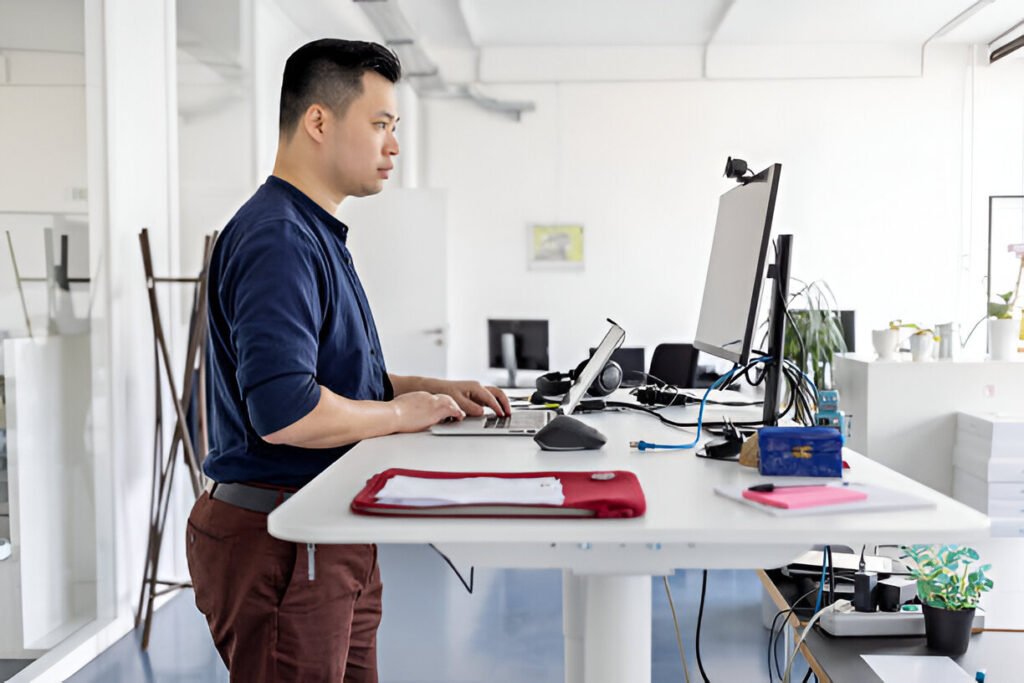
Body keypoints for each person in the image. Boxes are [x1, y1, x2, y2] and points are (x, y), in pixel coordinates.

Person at [186, 38, 510, 682]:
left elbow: (326, 374)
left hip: (325, 532)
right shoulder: (277, 237)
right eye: (381, 124)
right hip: (281, 538)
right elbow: (288, 412)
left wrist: (425, 387)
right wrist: (400, 414)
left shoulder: (311, 231)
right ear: (318, 121)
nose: (394, 146)